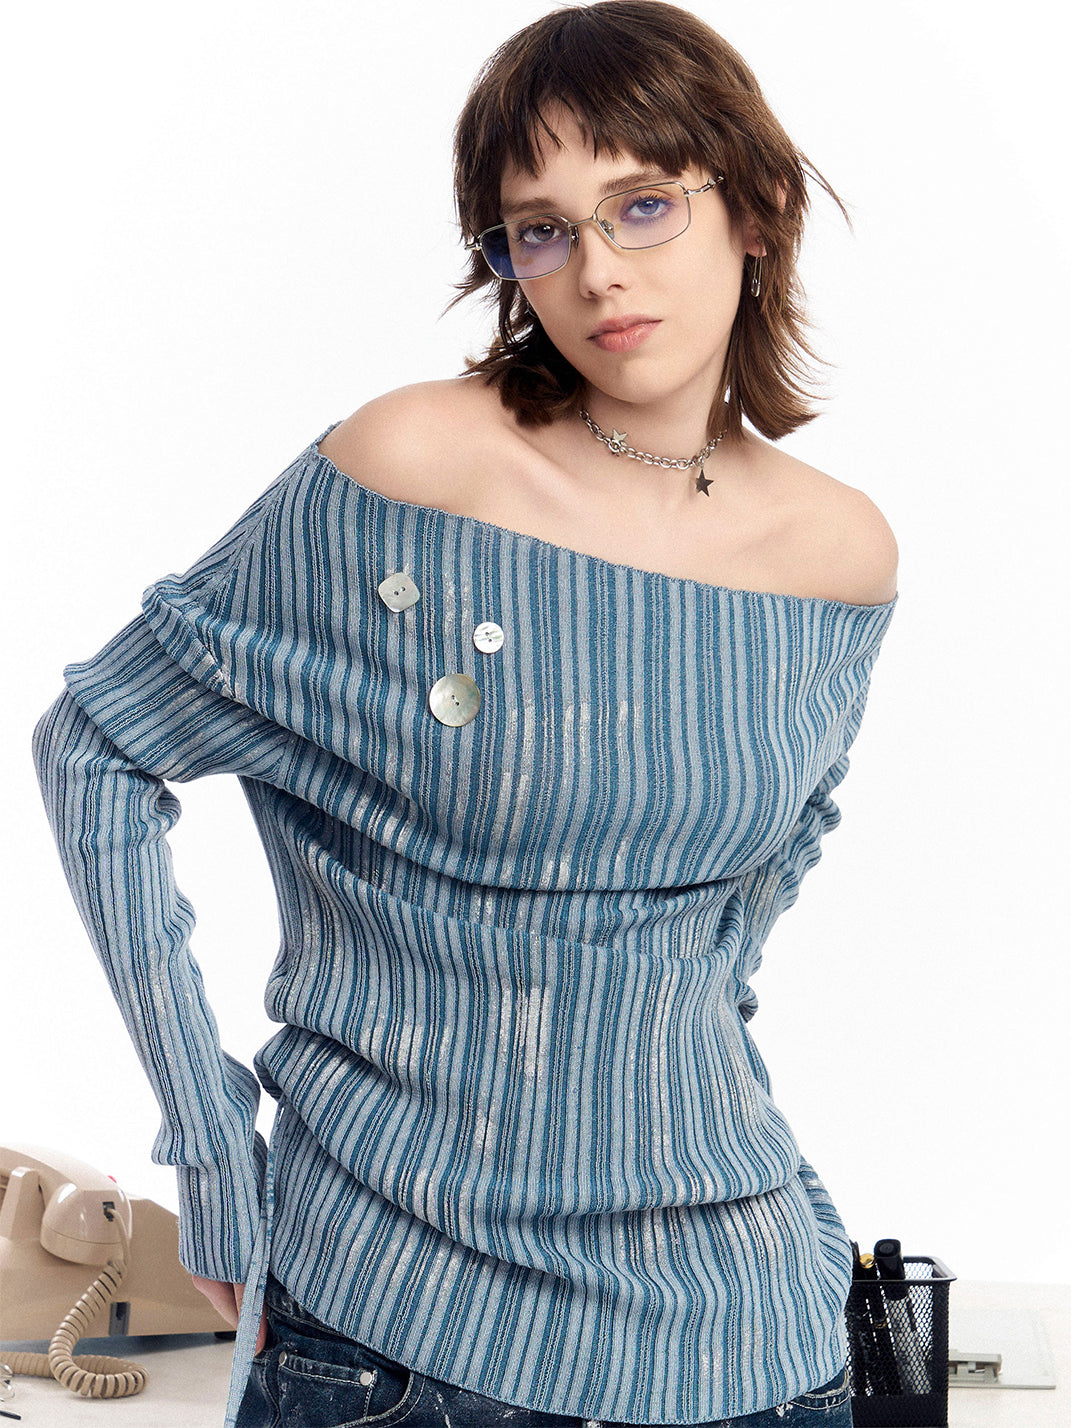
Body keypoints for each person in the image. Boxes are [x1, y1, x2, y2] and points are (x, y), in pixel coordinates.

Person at [31, 2, 897, 1426]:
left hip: (755, 1329)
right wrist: (210, 1139)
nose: (597, 270)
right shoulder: (412, 469)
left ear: (758, 208)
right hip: (402, 1323)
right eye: (539, 230)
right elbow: (99, 746)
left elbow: (736, 922)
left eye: (643, 204)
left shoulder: (838, 556)